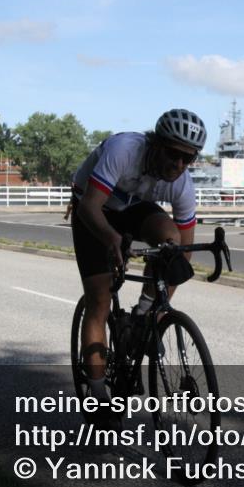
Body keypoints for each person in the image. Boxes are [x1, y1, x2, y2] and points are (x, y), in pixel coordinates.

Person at [69, 109, 206, 424]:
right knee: (99, 302)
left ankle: (141, 316)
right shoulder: (124, 149)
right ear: (155, 144)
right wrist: (111, 238)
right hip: (93, 206)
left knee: (171, 243)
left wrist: (156, 306)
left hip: (131, 205)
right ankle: (100, 394)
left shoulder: (182, 183)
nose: (179, 165)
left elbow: (183, 253)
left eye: (189, 159)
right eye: (173, 154)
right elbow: (91, 206)